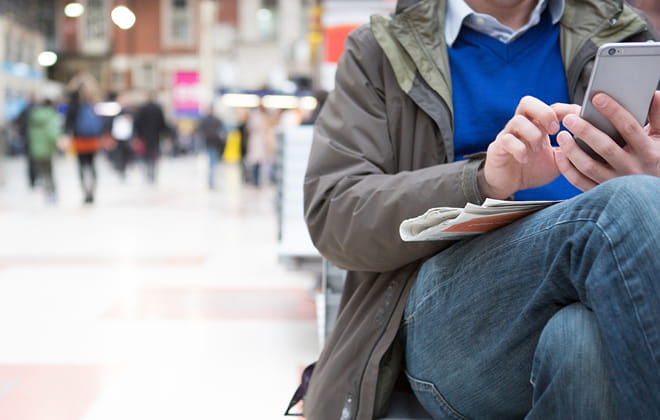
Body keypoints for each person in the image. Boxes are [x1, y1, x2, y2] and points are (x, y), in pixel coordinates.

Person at [297, 0, 660, 419]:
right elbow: (336, 214)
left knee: (579, 344)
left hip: (603, 297)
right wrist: (482, 181)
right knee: (617, 208)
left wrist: (651, 174)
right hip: (446, 321)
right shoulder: (380, 50)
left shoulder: (626, 37)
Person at [65, 72, 104, 204]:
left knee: (82, 166)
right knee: (92, 165)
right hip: (92, 138)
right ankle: (92, 190)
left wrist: (66, 134)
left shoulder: (74, 99)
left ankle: (85, 191)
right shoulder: (94, 98)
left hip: (79, 138)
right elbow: (101, 119)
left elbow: (69, 118)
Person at [27, 98, 61, 202]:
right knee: (49, 172)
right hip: (47, 149)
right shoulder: (50, 115)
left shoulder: (34, 116)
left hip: (36, 149)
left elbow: (30, 133)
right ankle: (52, 192)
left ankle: (46, 193)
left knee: (42, 173)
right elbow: (52, 132)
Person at [134, 93, 167, 184]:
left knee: (146, 154)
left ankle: (149, 171)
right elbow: (162, 123)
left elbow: (137, 123)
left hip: (145, 136)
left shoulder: (143, 109)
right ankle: (153, 171)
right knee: (154, 154)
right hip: (156, 135)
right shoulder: (158, 108)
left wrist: (138, 134)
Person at [196, 105, 227, 189]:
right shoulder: (216, 120)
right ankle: (211, 182)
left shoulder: (205, 120)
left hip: (209, 143)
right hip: (215, 143)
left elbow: (200, 131)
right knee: (213, 163)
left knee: (212, 163)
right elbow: (222, 132)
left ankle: (211, 181)